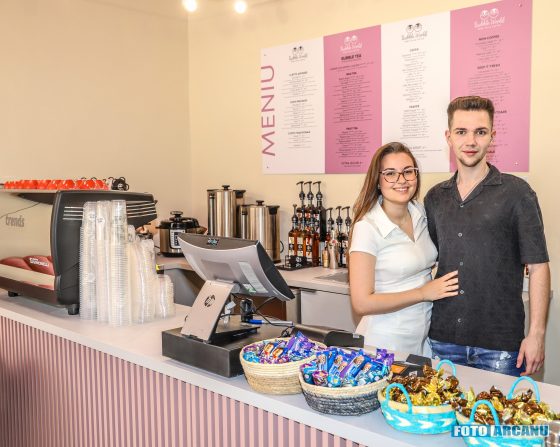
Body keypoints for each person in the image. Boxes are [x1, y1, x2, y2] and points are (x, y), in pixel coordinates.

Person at [425, 96, 550, 376]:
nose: (470, 141)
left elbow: (539, 266)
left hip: (500, 345)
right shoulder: (434, 198)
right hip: (444, 340)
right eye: (461, 132)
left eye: (480, 132)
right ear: (448, 137)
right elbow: (429, 261)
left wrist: (537, 334)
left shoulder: (517, 193)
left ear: (492, 137)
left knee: (499, 409)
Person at [348, 142, 459, 356]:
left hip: (422, 342)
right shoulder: (367, 228)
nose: (401, 180)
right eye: (390, 173)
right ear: (377, 181)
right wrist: (423, 293)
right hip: (384, 344)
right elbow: (361, 303)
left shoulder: (421, 213)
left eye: (408, 171)